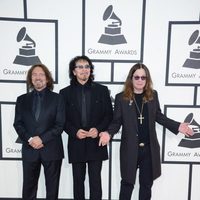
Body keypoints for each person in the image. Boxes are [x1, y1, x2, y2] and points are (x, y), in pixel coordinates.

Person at [99, 63, 193, 200]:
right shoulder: (121, 98)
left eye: (143, 77)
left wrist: (177, 126)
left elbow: (159, 117)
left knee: (146, 185)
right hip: (130, 149)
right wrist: (108, 133)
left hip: (149, 150)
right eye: (136, 77)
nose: (140, 80)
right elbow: (116, 121)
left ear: (147, 79)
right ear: (131, 78)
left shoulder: (152, 95)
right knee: (127, 184)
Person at [60, 55, 113, 200]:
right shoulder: (64, 93)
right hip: (76, 142)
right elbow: (61, 120)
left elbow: (109, 115)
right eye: (80, 67)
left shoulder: (102, 90)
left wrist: (99, 129)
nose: (84, 70)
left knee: (96, 181)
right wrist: (74, 131)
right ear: (74, 71)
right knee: (78, 182)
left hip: (96, 142)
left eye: (87, 67)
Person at [13, 64, 65, 200]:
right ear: (30, 79)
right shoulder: (21, 100)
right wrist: (30, 139)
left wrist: (41, 139)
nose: (38, 77)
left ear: (47, 79)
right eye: (34, 75)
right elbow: (17, 124)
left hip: (52, 149)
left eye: (41, 74)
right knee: (28, 189)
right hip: (30, 150)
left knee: (52, 191)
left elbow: (59, 125)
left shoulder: (58, 98)